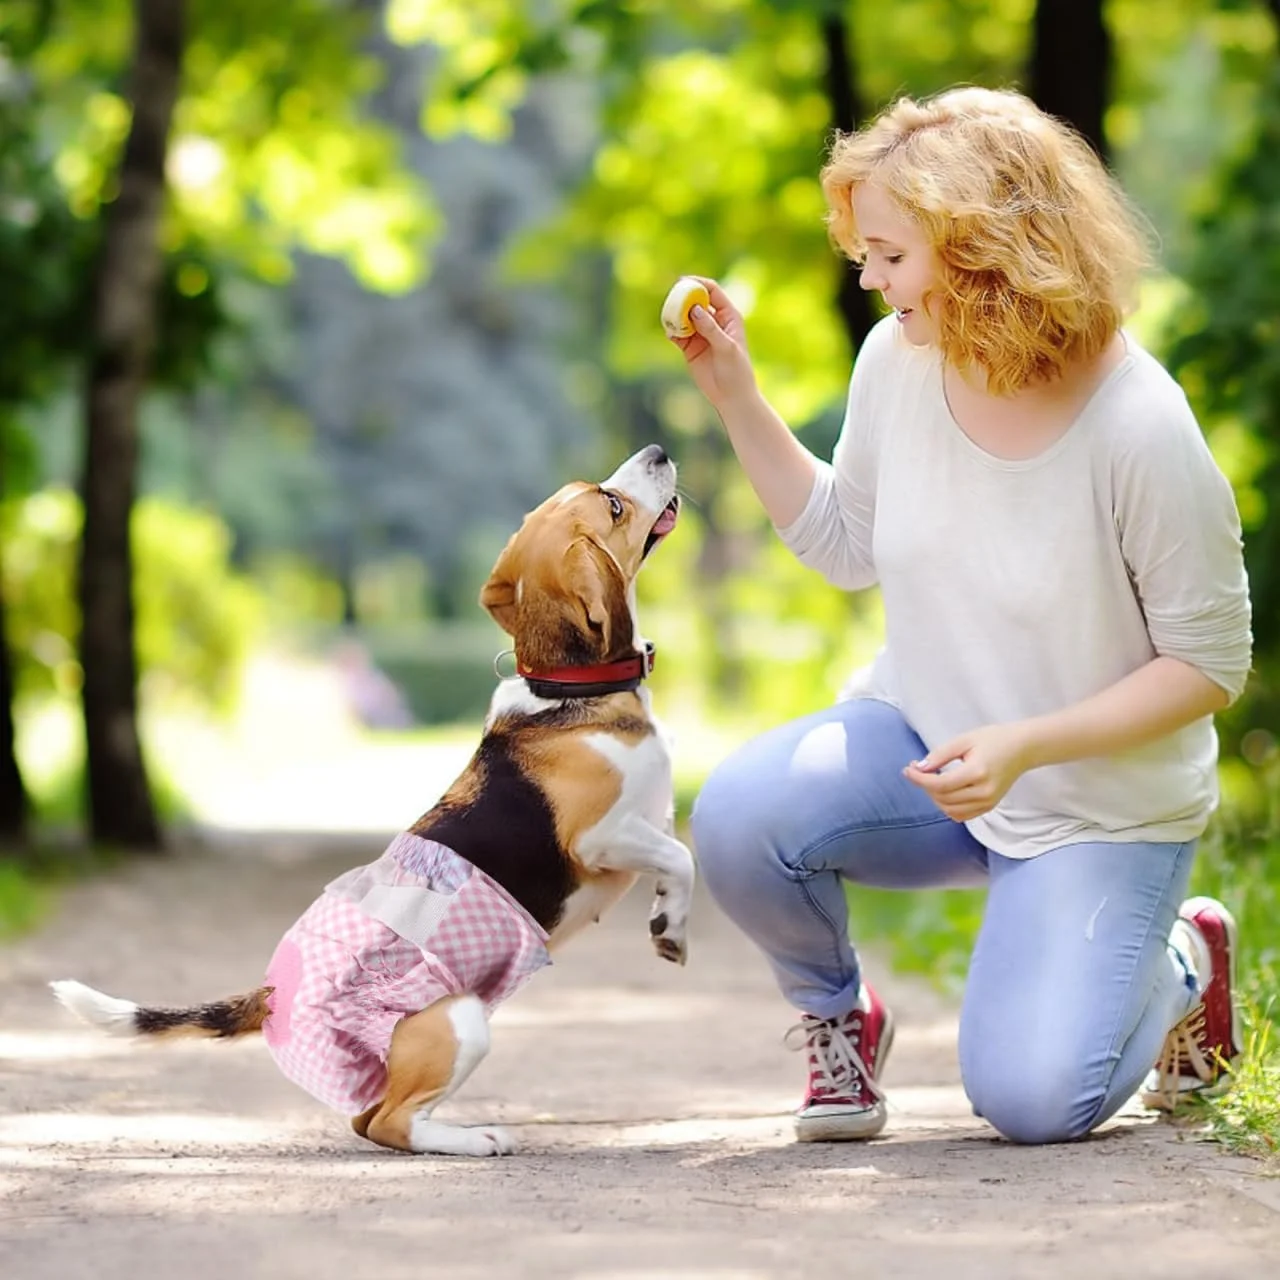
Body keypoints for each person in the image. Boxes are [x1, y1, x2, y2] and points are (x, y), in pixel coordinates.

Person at [670, 86, 1253, 1145]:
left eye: (888, 253)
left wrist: (1028, 744)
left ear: (980, 246)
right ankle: (837, 1019)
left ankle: (1180, 959)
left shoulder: (1140, 426)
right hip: (927, 747)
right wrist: (735, 399)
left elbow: (1208, 664)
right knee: (740, 817)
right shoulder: (898, 360)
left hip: (1093, 800)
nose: (866, 276)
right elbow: (844, 543)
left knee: (1031, 1102)